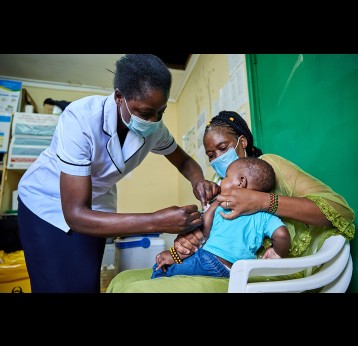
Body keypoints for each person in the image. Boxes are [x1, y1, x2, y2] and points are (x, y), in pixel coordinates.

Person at [17, 54, 220, 293]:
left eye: (161, 112)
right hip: (46, 202)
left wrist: (199, 182)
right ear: (118, 97)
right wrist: (157, 221)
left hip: (96, 203)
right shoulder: (80, 119)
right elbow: (75, 214)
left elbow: (184, 161)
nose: (154, 121)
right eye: (145, 113)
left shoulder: (154, 129)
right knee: (56, 285)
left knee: (84, 282)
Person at [106, 110, 355, 293]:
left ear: (242, 142)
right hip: (217, 262)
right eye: (211, 155)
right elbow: (208, 234)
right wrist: (181, 246)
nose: (216, 159)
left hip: (265, 274)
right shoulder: (222, 183)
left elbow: (341, 212)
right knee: (122, 280)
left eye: (222, 148)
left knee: (136, 290)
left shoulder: (271, 166)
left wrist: (261, 201)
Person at [151, 157, 291, 279]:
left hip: (211, 260)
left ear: (241, 182)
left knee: (161, 268)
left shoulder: (224, 206)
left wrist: (213, 205)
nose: (221, 182)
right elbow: (282, 235)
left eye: (225, 177)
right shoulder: (266, 215)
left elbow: (201, 234)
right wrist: (276, 252)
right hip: (239, 271)